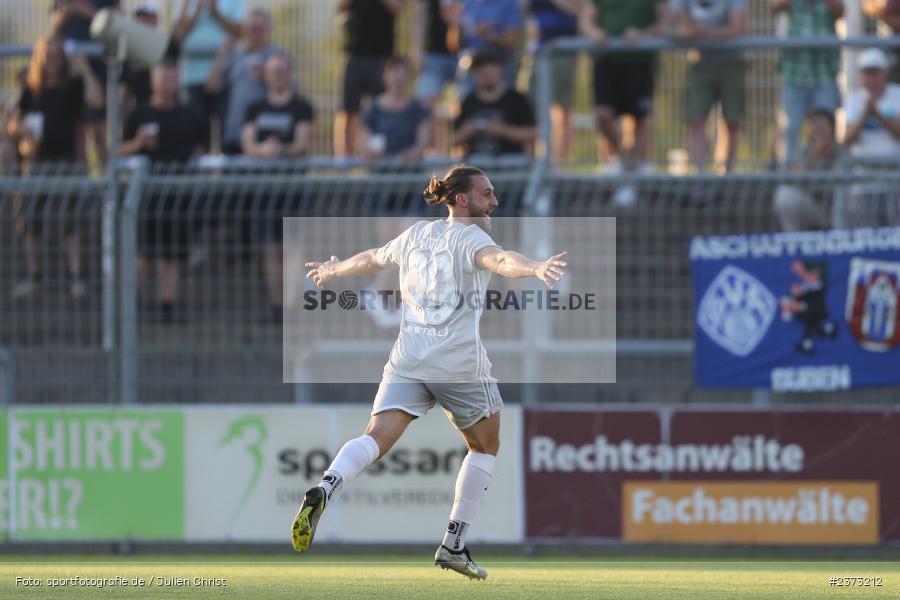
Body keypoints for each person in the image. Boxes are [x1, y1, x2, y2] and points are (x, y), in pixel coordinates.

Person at [291, 164, 568, 580]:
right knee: (485, 446)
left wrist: (334, 270)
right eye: (487, 194)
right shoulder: (472, 236)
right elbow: (502, 260)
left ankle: (327, 484)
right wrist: (534, 268)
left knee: (374, 436)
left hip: (408, 358)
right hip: (457, 364)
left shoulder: (417, 233)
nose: (494, 201)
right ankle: (453, 544)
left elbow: (373, 258)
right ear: (461, 200)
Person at [5, 36, 103, 301]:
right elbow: (10, 122)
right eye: (46, 54)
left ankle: (76, 277)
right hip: (36, 160)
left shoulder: (71, 85)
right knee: (29, 218)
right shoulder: (29, 87)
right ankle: (34, 275)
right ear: (38, 56)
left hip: (67, 159)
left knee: (71, 220)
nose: (51, 59)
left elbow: (96, 100)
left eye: (56, 54)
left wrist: (82, 66)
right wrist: (19, 129)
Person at [121, 60, 207, 322]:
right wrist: (138, 143)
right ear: (152, 81)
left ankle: (167, 307)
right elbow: (118, 149)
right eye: (163, 77)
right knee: (143, 255)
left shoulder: (191, 113)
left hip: (178, 195)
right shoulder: (139, 113)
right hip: (145, 194)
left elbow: (201, 149)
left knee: (171, 255)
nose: (168, 83)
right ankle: (134, 305)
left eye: (172, 77)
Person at [240, 53, 315, 322]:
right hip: (264, 187)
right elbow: (247, 144)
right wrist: (264, 150)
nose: (279, 75)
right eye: (274, 71)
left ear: (290, 72)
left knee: (292, 247)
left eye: (283, 70)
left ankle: (291, 303)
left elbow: (301, 143)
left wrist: (281, 149)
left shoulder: (301, 106)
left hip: (291, 186)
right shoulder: (254, 107)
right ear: (266, 75)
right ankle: (276, 305)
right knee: (269, 247)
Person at [580, 0, 666, 173]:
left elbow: (666, 23)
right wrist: (594, 32)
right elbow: (586, 20)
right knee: (602, 115)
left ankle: (635, 167)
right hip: (607, 61)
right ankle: (623, 159)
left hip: (640, 62)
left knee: (639, 118)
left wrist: (642, 34)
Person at [667, 0, 748, 172]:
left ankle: (728, 174)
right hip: (701, 62)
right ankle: (700, 175)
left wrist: (705, 32)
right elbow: (668, 23)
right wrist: (680, 33)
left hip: (732, 63)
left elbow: (739, 27)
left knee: (731, 121)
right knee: (696, 118)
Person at [771, 0, 843, 163]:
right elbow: (773, 8)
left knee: (825, 130)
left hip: (823, 75)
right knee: (792, 129)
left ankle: (826, 178)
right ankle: (790, 178)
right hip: (795, 75)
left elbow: (841, 11)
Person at [206, 7, 286, 154]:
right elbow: (211, 86)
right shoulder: (236, 55)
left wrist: (267, 75)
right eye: (250, 27)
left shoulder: (277, 55)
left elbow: (291, 89)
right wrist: (220, 56)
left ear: (268, 28)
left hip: (265, 138)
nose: (254, 32)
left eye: (259, 27)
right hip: (235, 133)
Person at [335, 0, 405, 158]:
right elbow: (339, 6)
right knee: (348, 110)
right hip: (355, 55)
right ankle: (344, 161)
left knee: (380, 110)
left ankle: (376, 158)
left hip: (382, 56)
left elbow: (399, 8)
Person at [51, 0, 118, 164]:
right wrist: (66, 13)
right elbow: (56, 27)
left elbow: (113, 23)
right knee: (79, 131)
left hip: (100, 64)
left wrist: (78, 10)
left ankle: (107, 183)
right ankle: (83, 184)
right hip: (72, 69)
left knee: (101, 130)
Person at [172, 0, 246, 146]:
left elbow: (239, 32)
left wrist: (216, 13)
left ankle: (226, 166)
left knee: (226, 132)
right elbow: (177, 37)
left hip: (224, 76)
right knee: (196, 134)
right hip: (192, 77)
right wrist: (195, 13)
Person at [843, 48, 900, 228]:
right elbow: (847, 139)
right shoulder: (854, 99)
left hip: (894, 181)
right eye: (866, 74)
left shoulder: (897, 95)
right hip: (864, 182)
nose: (870, 79)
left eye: (874, 73)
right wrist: (865, 115)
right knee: (865, 232)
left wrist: (878, 115)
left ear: (885, 73)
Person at [525, 0, 583, 164]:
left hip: (562, 52)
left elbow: (580, 10)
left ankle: (559, 164)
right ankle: (535, 161)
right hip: (536, 54)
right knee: (530, 109)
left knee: (562, 110)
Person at [453, 50, 536, 157]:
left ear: (499, 70)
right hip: (475, 165)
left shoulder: (517, 99)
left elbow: (533, 133)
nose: (485, 78)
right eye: (481, 74)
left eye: (488, 74)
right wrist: (466, 131)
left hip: (511, 164)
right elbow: (452, 139)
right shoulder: (468, 101)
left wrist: (501, 130)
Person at [773, 108, 845, 231]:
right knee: (785, 196)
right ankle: (793, 240)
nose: (819, 130)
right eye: (815, 125)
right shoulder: (803, 152)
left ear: (832, 130)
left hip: (839, 210)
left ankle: (842, 239)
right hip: (814, 208)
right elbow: (794, 177)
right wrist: (813, 156)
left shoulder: (842, 151)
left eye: (822, 126)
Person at [362, 56, 432, 162]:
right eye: (394, 72)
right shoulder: (372, 107)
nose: (398, 77)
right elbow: (362, 140)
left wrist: (412, 154)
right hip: (378, 172)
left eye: (403, 72)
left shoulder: (419, 108)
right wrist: (370, 152)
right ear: (384, 76)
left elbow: (424, 140)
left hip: (409, 171)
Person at [447, 0, 524, 97]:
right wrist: (457, 28)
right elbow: (453, 45)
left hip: (500, 63)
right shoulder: (465, 3)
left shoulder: (509, 3)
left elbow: (509, 41)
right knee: (465, 100)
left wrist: (490, 35)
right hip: (469, 64)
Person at [413, 0, 459, 153]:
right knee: (426, 104)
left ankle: (458, 150)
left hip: (463, 55)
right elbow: (420, 17)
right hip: (433, 55)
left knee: (463, 103)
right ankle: (430, 151)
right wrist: (417, 49)